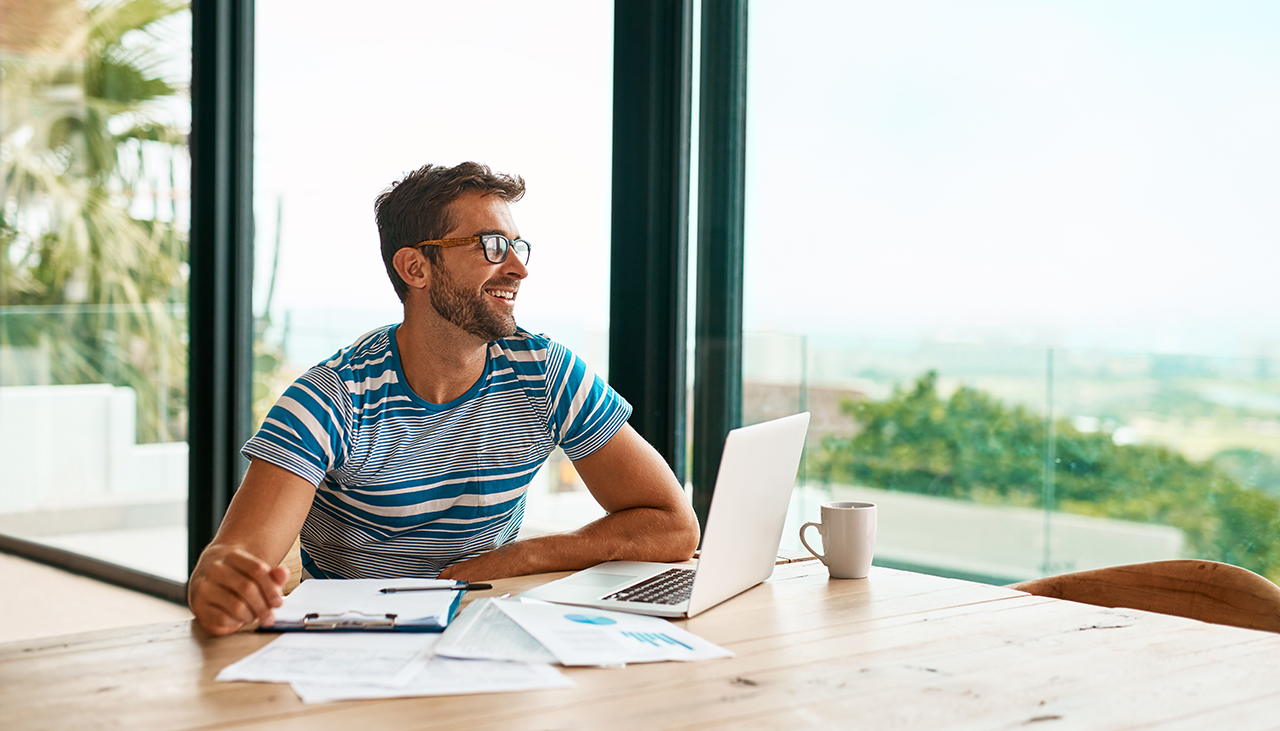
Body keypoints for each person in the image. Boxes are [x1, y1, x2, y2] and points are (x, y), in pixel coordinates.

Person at [187, 162, 700, 636]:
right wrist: (220, 583)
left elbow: (674, 526)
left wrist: (524, 556)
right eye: (492, 246)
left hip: (490, 633)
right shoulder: (331, 397)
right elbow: (233, 560)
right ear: (415, 268)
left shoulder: (545, 372)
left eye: (518, 248)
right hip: (355, 648)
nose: (518, 270)